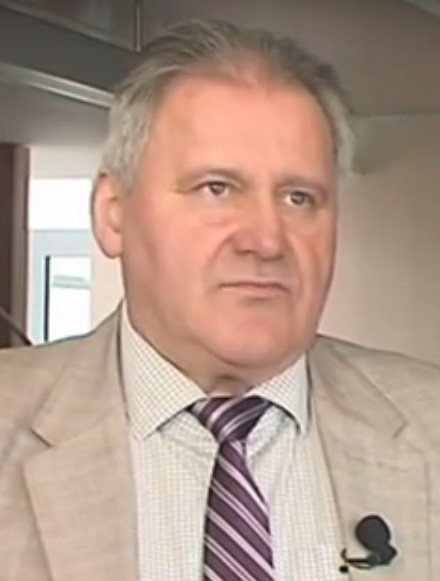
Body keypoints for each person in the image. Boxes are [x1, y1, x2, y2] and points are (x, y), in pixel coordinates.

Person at [0, 18, 439, 581]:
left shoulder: (428, 426)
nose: (266, 240)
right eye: (217, 188)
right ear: (113, 214)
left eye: (299, 197)